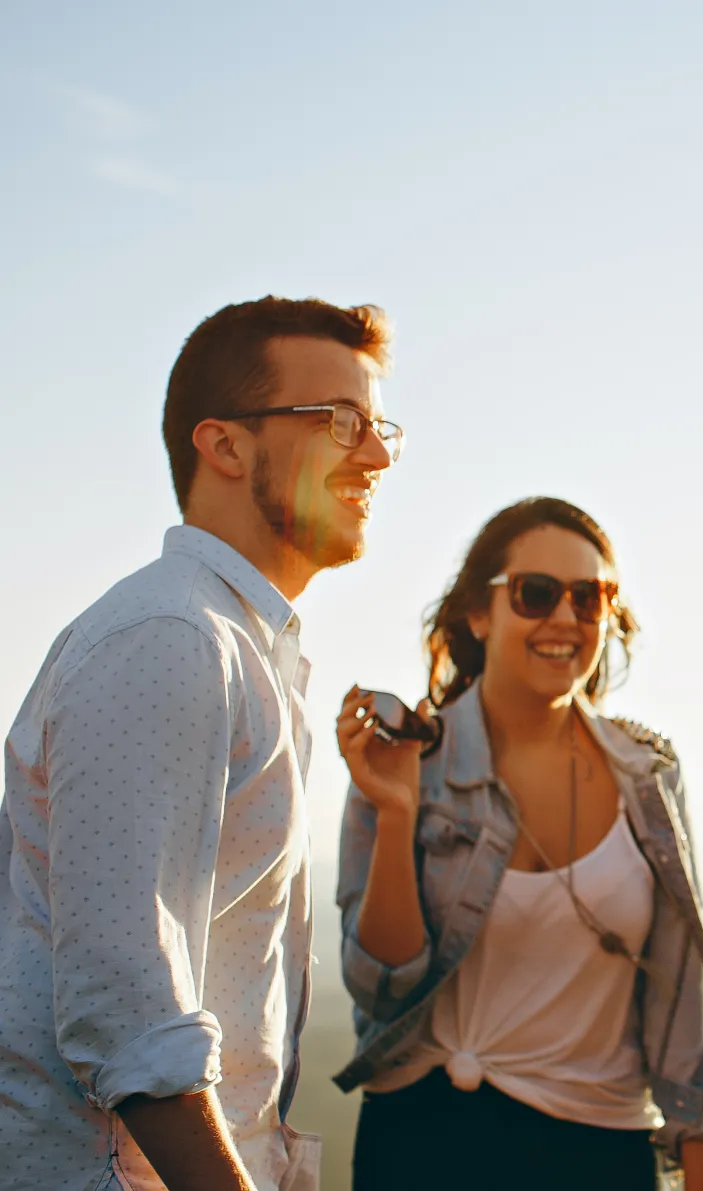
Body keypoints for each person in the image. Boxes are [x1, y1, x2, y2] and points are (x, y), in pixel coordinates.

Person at [0, 297, 400, 1190]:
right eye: (340, 422)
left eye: (379, 428)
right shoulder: (172, 636)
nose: (373, 455)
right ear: (223, 445)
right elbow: (132, 1017)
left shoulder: (239, 647)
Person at [331, 497, 703, 1191]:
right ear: (478, 612)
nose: (565, 618)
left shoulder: (649, 777)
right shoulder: (406, 760)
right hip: (421, 1146)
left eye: (591, 596)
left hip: (599, 1151)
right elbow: (381, 986)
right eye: (536, 593)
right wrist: (395, 814)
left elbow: (683, 1011)